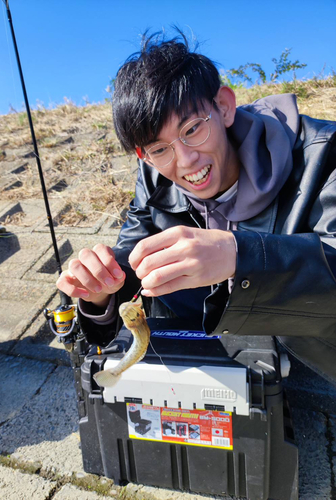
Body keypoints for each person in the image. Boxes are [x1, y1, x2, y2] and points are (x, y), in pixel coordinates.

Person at [56, 32, 336, 384]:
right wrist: (99, 293)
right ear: (144, 155)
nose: (186, 161)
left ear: (224, 106)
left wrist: (240, 257)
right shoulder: (154, 177)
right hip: (216, 353)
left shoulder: (323, 154)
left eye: (192, 129)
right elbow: (130, 261)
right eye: (159, 149)